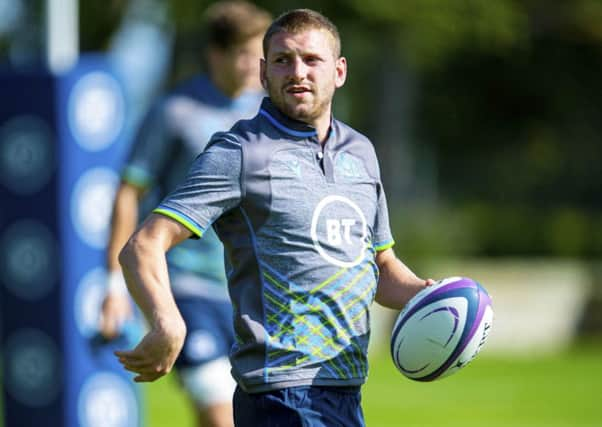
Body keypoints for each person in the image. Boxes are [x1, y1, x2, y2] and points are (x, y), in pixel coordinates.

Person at [115, 8, 433, 427]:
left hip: (344, 387)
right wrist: (167, 320)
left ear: (339, 71)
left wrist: (431, 294)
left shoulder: (361, 154)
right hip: (282, 394)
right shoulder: (240, 152)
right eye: (283, 60)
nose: (297, 71)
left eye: (311, 60)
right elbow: (144, 244)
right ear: (264, 73)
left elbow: (380, 267)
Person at [99, 2, 272, 427]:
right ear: (216, 54)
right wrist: (114, 286)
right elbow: (127, 194)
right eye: (246, 54)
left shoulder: (270, 113)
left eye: (262, 54)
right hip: (185, 289)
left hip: (251, 292)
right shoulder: (173, 112)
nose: (256, 65)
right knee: (219, 417)